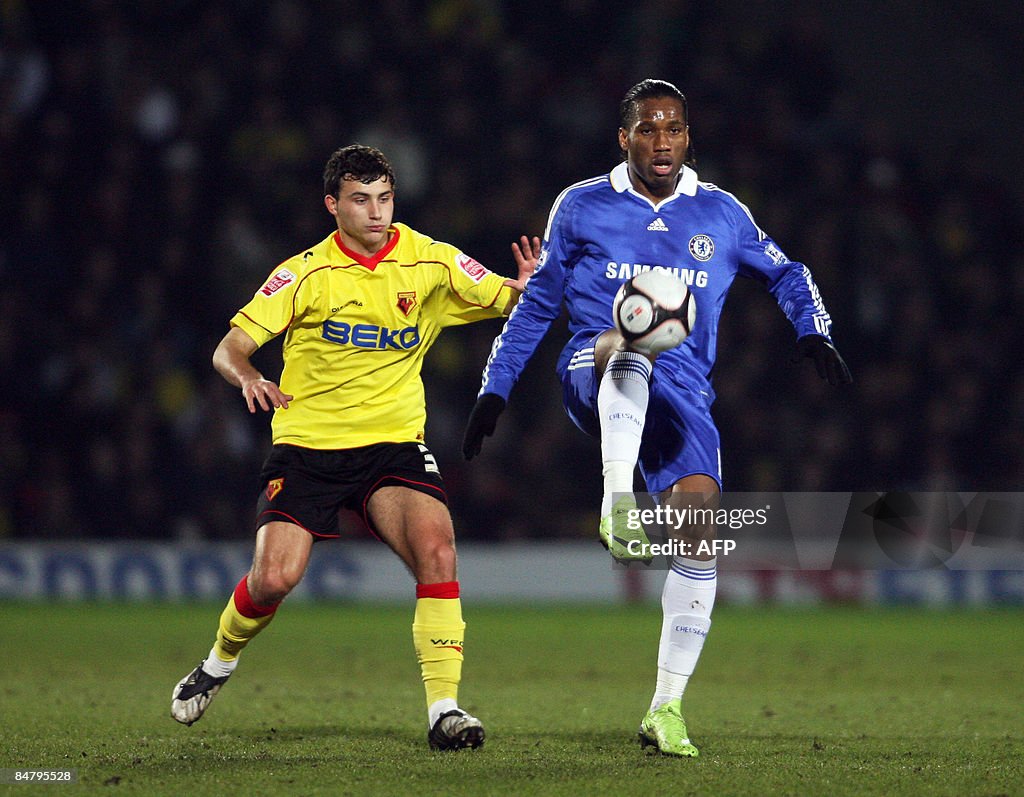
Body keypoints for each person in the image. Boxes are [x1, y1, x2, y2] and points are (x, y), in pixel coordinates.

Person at [462, 79, 851, 757]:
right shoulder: (581, 206)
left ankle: (664, 709)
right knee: (627, 340)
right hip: (593, 362)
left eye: (673, 129)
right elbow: (537, 302)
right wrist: (496, 388)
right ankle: (617, 503)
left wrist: (812, 330)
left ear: (688, 136)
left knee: (700, 537)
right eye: (648, 129)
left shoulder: (723, 215)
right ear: (624, 137)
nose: (662, 141)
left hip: (686, 393)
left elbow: (788, 273)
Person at [171, 144, 536, 751]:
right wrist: (252, 378)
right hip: (308, 447)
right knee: (274, 579)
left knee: (437, 551)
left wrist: (525, 288)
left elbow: (507, 296)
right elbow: (228, 350)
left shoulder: (431, 262)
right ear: (332, 205)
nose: (376, 213)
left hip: (393, 445)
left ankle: (444, 711)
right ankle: (219, 659)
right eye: (361, 200)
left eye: (385, 199)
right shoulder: (304, 274)